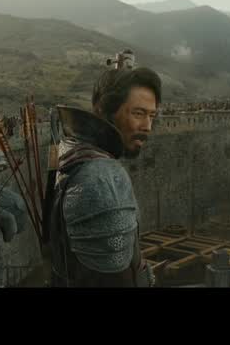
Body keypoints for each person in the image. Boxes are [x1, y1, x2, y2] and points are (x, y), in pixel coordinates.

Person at [47, 62, 162, 287]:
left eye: (152, 115)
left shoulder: (76, 153)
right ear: (104, 111)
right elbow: (114, 278)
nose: (147, 126)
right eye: (138, 113)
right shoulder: (101, 179)